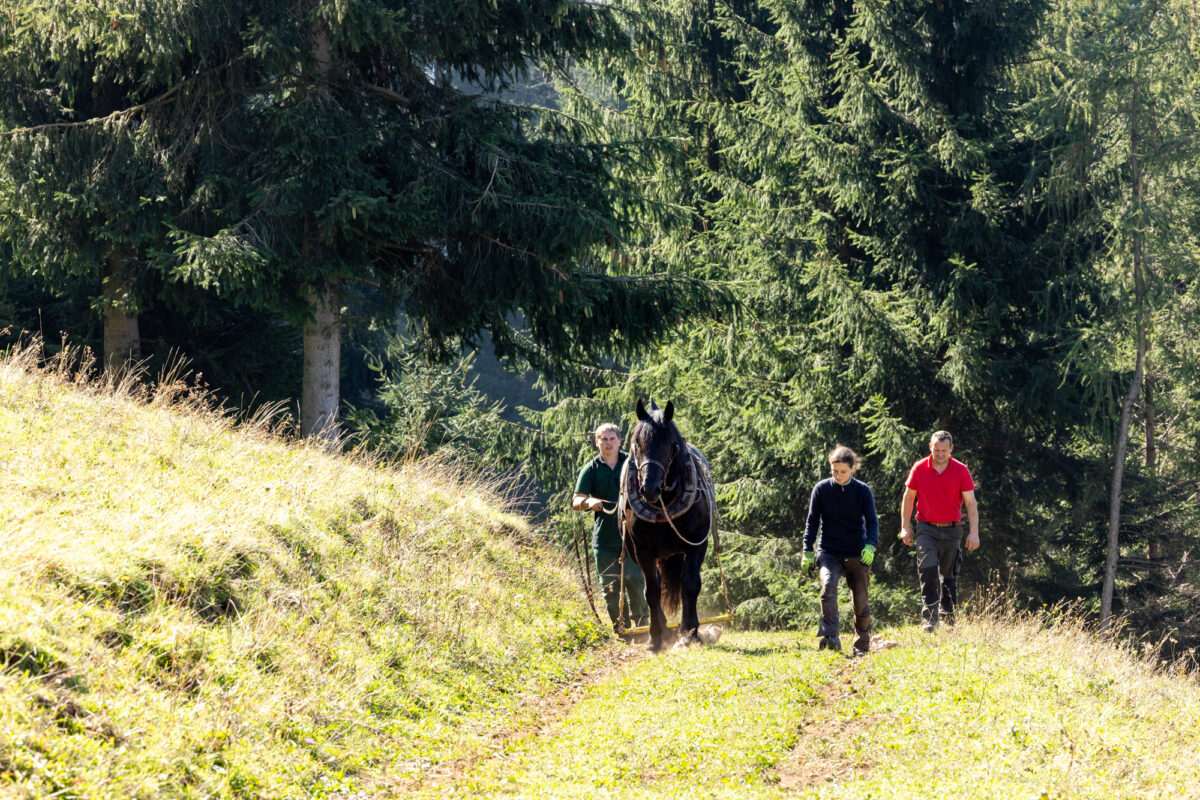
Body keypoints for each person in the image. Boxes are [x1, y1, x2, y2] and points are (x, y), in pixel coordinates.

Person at [572, 423, 650, 633]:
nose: (608, 443)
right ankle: (621, 630)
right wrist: (590, 503)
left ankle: (643, 630)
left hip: (634, 539)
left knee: (637, 581)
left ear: (619, 441)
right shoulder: (591, 469)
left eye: (612, 439)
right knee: (611, 589)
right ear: (597, 442)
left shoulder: (632, 462)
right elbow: (576, 500)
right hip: (605, 541)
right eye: (604, 439)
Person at [802, 445, 879, 656]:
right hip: (829, 550)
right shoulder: (821, 489)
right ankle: (830, 639)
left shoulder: (863, 491)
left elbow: (872, 522)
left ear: (852, 469)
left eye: (843, 471)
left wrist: (870, 545)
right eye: (834, 470)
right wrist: (807, 551)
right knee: (828, 588)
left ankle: (861, 644)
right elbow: (812, 522)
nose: (838, 475)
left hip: (857, 552)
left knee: (860, 601)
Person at [899, 430, 980, 632]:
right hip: (926, 528)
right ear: (930, 448)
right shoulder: (919, 469)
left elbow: (970, 503)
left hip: (953, 530)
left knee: (949, 576)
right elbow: (908, 498)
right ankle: (930, 620)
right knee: (927, 570)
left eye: (944, 450)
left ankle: (948, 617)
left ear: (951, 449)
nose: (940, 454)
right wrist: (905, 527)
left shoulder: (961, 471)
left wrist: (974, 532)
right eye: (937, 450)